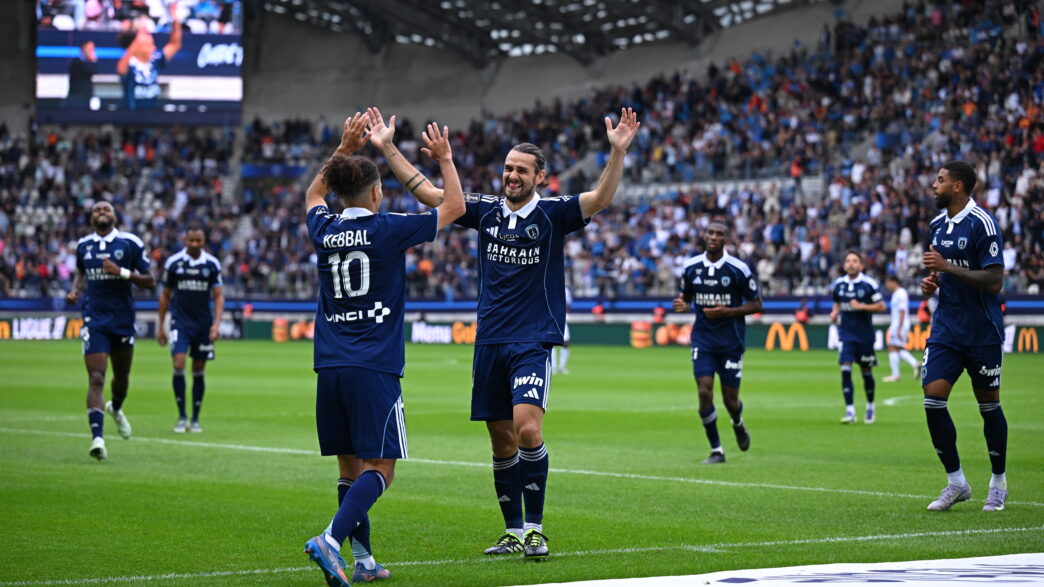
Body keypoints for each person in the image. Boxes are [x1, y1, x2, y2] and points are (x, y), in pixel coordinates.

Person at [366, 106, 639, 560]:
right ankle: (512, 531)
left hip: (532, 339)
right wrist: (389, 147)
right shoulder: (486, 210)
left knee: (528, 429)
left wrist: (617, 154)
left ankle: (536, 528)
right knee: (500, 440)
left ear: (540, 178)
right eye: (508, 168)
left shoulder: (554, 213)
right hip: (489, 339)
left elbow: (600, 198)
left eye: (520, 170)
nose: (511, 176)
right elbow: (431, 194)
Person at [301, 113, 464, 587]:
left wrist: (343, 146)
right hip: (374, 365)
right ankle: (329, 541)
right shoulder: (388, 228)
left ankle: (364, 561)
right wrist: (447, 160)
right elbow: (453, 206)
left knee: (349, 466)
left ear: (338, 193)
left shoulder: (324, 228)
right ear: (375, 193)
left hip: (329, 365)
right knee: (382, 470)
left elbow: (312, 195)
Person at [920, 160, 1008, 512]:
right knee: (932, 399)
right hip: (946, 329)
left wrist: (947, 268)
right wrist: (932, 283)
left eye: (939, 180)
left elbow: (994, 280)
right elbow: (940, 275)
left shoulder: (983, 224)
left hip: (981, 330)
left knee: (988, 406)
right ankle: (956, 481)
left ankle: (998, 482)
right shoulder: (937, 225)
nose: (933, 185)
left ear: (957, 186)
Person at [66, 201, 155, 460]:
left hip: (122, 321)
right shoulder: (84, 246)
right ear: (92, 217)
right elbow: (80, 271)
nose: (102, 212)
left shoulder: (130, 243)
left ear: (115, 215)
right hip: (94, 320)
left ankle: (115, 408)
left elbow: (150, 280)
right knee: (96, 378)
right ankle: (98, 439)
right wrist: (75, 289)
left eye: (106, 209)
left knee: (122, 378)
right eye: (97, 210)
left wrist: (121, 272)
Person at [672, 222, 762, 464]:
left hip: (731, 341)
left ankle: (737, 422)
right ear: (704, 236)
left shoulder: (738, 269)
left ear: (726, 239)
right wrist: (682, 305)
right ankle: (717, 450)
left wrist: (728, 311)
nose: (713, 237)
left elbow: (757, 304)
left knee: (730, 401)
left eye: (719, 234)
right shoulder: (691, 267)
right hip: (703, 338)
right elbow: (686, 297)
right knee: (704, 390)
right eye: (710, 233)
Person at [157, 225, 224, 433]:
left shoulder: (212, 264)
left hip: (203, 324)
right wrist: (160, 325)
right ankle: (181, 416)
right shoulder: (174, 263)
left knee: (198, 369)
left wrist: (216, 323)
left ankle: (195, 418)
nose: (194, 244)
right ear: (185, 240)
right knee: (178, 363)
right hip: (180, 322)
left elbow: (218, 295)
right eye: (191, 240)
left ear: (204, 241)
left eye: (198, 241)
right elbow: (166, 295)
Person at [829, 251, 886, 424]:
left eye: (854, 261)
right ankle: (850, 411)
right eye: (848, 261)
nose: (851, 264)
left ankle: (870, 407)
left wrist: (861, 306)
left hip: (865, 336)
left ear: (861, 265)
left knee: (866, 373)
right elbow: (836, 302)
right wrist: (835, 312)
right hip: (846, 335)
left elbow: (881, 306)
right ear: (844, 265)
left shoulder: (868, 284)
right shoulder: (839, 284)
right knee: (845, 369)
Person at [116, 4, 181, 110]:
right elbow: (120, 69)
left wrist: (176, 21)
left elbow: (175, 45)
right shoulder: (130, 63)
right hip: (132, 118)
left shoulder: (155, 60)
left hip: (152, 117)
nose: (153, 47)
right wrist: (137, 37)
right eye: (149, 43)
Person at [882, 275, 920, 382]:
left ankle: (896, 375)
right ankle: (914, 363)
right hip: (898, 323)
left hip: (899, 324)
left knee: (892, 347)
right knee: (897, 348)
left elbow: (902, 311)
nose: (887, 285)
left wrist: (899, 328)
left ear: (894, 282)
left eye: (888, 282)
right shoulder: (897, 293)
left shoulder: (901, 293)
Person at [66, 40, 97, 109]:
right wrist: (92, 60)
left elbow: (95, 71)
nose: (92, 51)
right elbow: (88, 70)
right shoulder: (76, 62)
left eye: (93, 49)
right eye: (90, 49)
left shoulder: (89, 62)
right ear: (84, 48)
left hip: (87, 96)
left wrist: (93, 60)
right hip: (76, 96)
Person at [552, 286, 572, 374]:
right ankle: (553, 367)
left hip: (562, 318)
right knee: (551, 342)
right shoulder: (548, 286)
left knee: (566, 342)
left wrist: (564, 315)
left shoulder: (565, 289)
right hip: (550, 317)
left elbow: (568, 305)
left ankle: (562, 367)